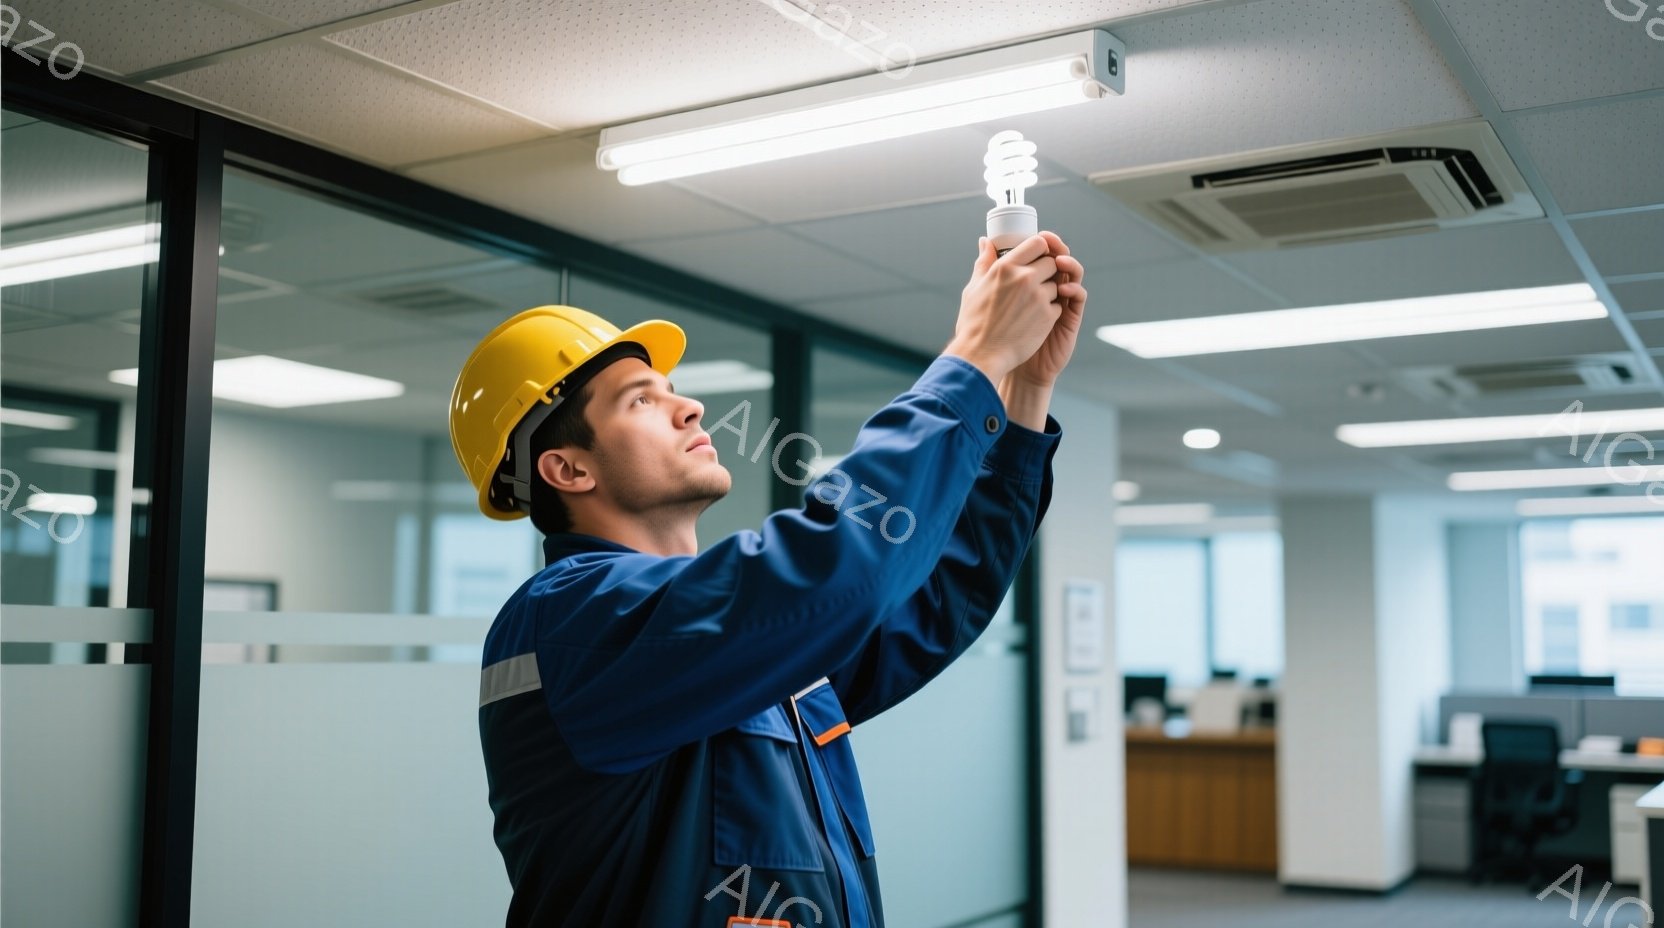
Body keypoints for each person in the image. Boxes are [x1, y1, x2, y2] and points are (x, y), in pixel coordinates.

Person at [447, 231, 1087, 928]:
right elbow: (839, 570)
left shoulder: (725, 632)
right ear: (568, 469)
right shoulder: (570, 617)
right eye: (640, 401)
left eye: (672, 392)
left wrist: (1022, 392)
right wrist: (974, 358)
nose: (689, 408)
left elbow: (939, 598)